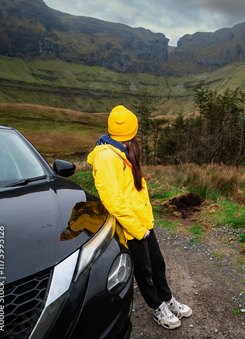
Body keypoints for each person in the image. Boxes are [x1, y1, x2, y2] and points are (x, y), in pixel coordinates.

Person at [87, 105, 192, 330]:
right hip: (129, 227)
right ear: (130, 131)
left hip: (142, 222)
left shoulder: (122, 149)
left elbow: (134, 190)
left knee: (158, 264)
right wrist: (137, 227)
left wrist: (146, 223)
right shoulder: (106, 157)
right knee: (143, 271)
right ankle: (158, 308)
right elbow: (114, 201)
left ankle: (167, 299)